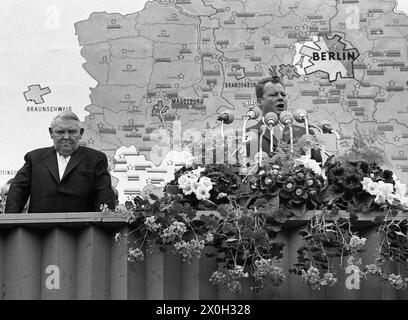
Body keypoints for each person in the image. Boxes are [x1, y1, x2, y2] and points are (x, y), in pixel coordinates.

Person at [5, 111, 115, 213]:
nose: (66, 137)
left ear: (80, 133)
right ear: (51, 133)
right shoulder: (34, 158)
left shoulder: (95, 159)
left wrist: (104, 226)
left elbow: (104, 195)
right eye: (60, 132)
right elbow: (18, 191)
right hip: (39, 230)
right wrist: (10, 224)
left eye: (71, 132)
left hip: (83, 230)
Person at [246, 76, 322, 162]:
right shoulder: (248, 135)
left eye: (283, 95)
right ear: (260, 102)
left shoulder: (305, 133)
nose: (280, 98)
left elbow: (318, 169)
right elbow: (242, 170)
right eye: (273, 95)